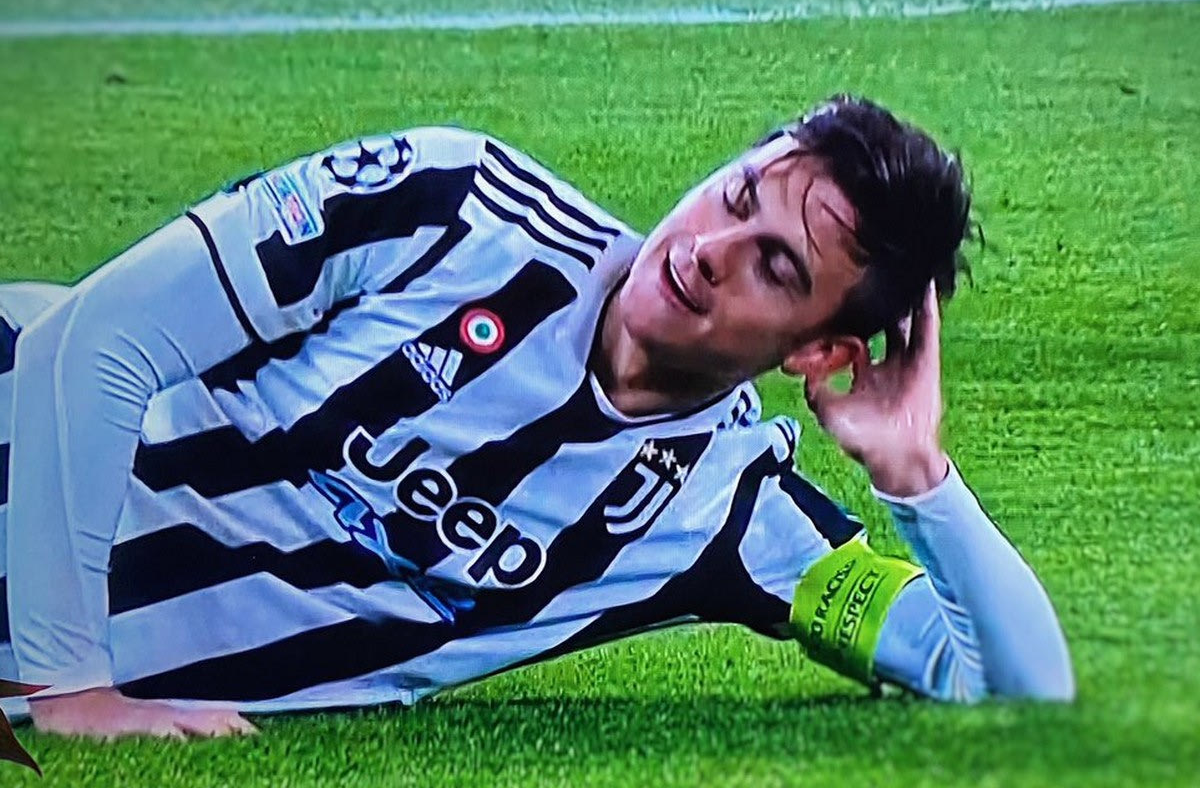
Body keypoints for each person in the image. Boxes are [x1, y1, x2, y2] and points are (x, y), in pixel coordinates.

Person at [0, 95, 1074, 740]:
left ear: (820, 352)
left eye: (776, 267)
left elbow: (1018, 693)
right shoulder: (449, 203)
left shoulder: (728, 515)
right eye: (737, 194)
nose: (709, 248)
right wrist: (70, 686)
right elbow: (86, 349)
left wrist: (917, 479)